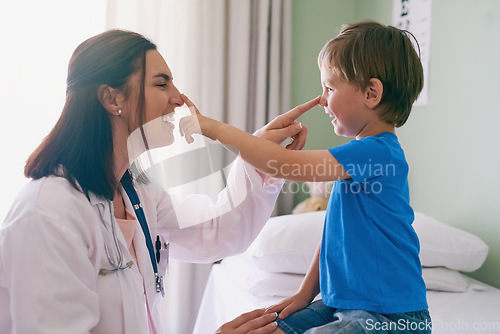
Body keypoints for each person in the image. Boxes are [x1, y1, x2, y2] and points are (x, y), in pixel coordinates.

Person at [0, 29, 315, 334]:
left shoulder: (137, 195)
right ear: (112, 98)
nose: (178, 99)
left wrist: (259, 155)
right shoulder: (47, 215)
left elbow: (220, 231)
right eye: (161, 84)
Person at [181, 21, 431, 333]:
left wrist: (215, 129)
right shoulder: (359, 157)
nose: (323, 100)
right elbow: (335, 238)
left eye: (329, 88)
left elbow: (282, 163)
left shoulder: (378, 153)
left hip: (391, 317)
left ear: (371, 93)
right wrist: (304, 293)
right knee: (274, 327)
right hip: (342, 302)